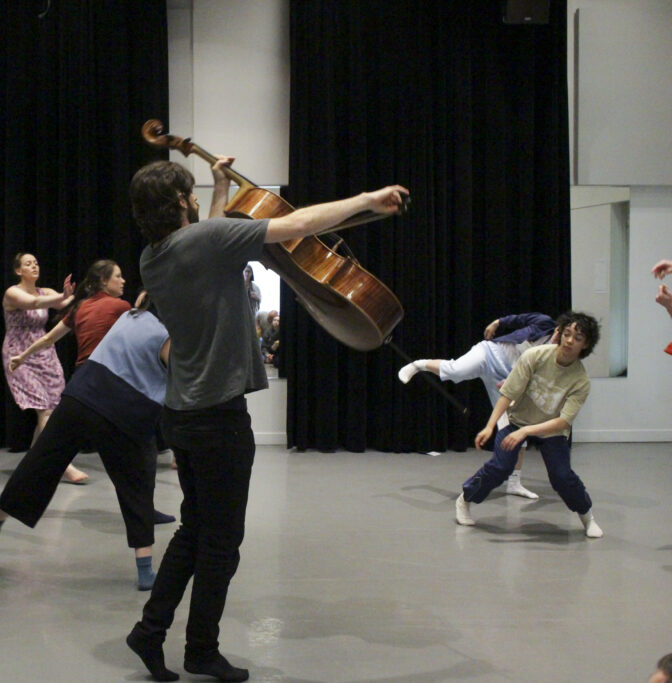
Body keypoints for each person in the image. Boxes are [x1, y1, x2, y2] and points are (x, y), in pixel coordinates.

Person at [124, 155, 407, 682]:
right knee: (221, 542)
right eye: (191, 194)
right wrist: (368, 201)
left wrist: (223, 185)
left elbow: (207, 234)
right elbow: (298, 224)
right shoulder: (206, 241)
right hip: (219, 419)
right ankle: (200, 651)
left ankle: (149, 631)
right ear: (182, 201)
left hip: (182, 415)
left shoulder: (153, 257)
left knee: (194, 531)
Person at [0, 292, 171, 590]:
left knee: (39, 463)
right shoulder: (166, 334)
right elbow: (180, 378)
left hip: (83, 395)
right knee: (135, 486)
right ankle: (145, 569)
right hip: (124, 411)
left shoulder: (128, 317)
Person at [9, 260, 175, 524]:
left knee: (59, 446)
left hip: (82, 386)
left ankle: (12, 508)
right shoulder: (122, 308)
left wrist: (22, 356)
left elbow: (48, 338)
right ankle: (142, 511)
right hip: (112, 385)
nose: (123, 281)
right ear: (103, 281)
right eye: (118, 277)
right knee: (138, 452)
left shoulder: (81, 307)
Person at [455, 311, 604, 539]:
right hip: (517, 420)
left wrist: (526, 432)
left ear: (586, 345)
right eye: (566, 334)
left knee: (562, 476)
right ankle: (465, 499)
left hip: (551, 430)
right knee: (500, 467)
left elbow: (563, 421)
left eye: (577, 338)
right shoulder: (535, 356)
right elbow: (508, 393)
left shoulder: (580, 381)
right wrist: (489, 426)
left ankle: (587, 516)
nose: (569, 341)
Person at [397, 312, 558, 499]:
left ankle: (514, 483)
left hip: (508, 378)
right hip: (490, 352)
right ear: (559, 328)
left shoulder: (554, 358)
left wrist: (513, 383)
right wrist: (496, 322)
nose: (558, 338)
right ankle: (418, 365)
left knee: (515, 429)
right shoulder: (545, 323)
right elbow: (518, 319)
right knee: (455, 370)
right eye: (560, 332)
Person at [2, 252, 88, 484]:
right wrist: (63, 295)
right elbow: (34, 303)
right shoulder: (12, 292)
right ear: (18, 271)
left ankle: (33, 461)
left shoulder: (47, 291)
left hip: (45, 351)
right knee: (44, 409)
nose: (34, 266)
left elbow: (65, 302)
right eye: (28, 264)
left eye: (36, 263)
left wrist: (73, 295)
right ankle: (62, 465)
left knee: (53, 406)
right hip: (19, 355)